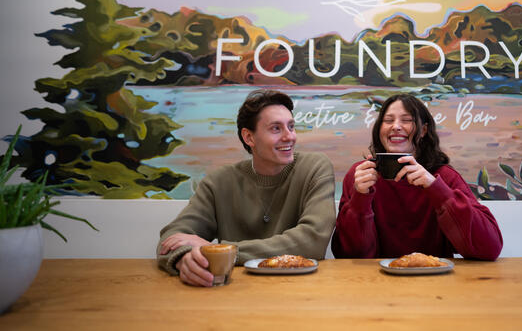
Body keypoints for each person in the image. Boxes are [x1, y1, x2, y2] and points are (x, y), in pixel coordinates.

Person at [157, 89, 336, 286]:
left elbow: (312, 240)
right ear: (249, 137)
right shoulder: (219, 182)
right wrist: (185, 259)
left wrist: (225, 251)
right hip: (233, 289)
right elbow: (174, 237)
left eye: (291, 127)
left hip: (300, 288)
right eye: (276, 128)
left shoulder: (314, 168)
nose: (289, 137)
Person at [332, 93, 503, 260]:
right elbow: (347, 256)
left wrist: (436, 189)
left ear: (423, 130)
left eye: (407, 120)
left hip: (435, 275)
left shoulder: (444, 177)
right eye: (388, 120)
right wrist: (360, 198)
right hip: (375, 277)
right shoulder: (360, 175)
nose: (396, 126)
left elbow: (490, 248)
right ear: (379, 130)